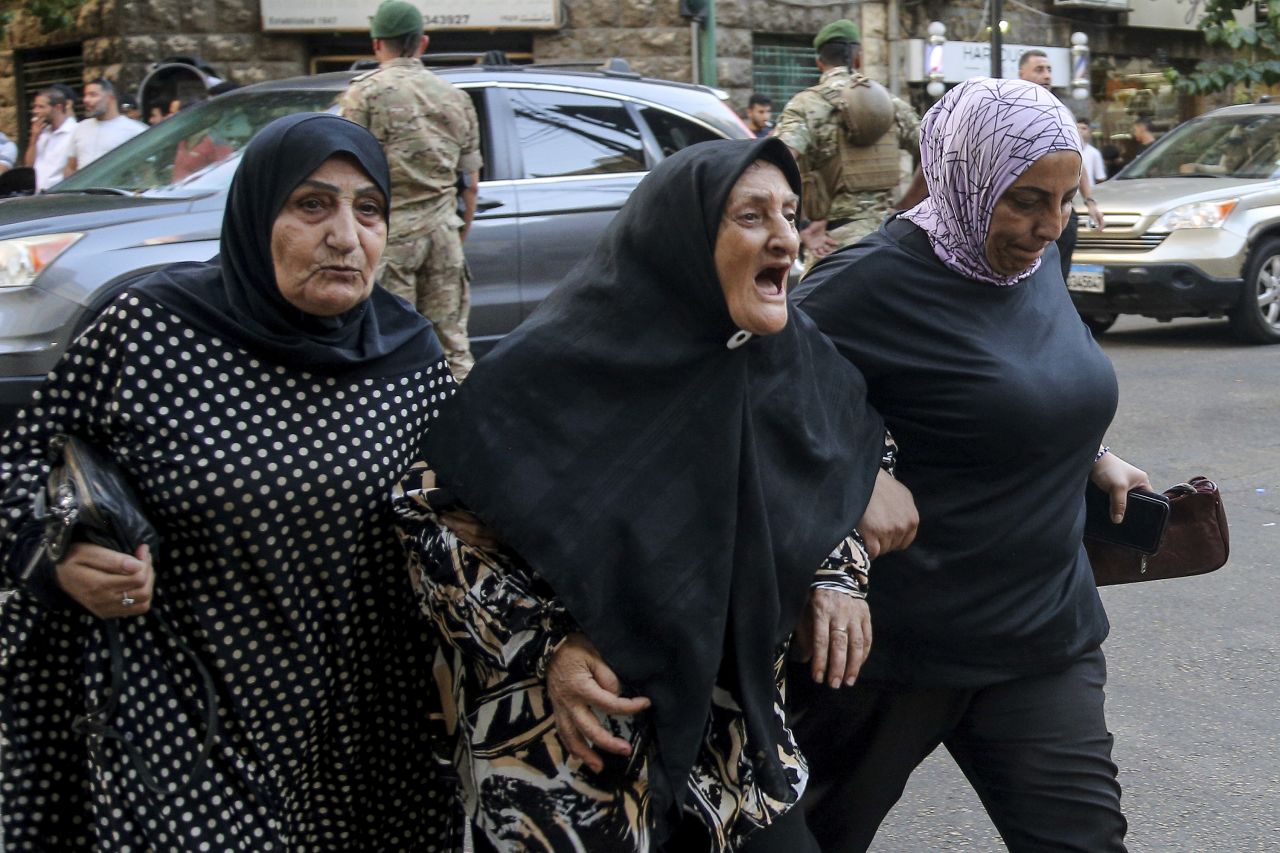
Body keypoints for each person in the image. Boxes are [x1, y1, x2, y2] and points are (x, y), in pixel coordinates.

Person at [395, 136, 912, 852]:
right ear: (683, 236)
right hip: (583, 758)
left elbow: (847, 453)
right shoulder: (553, 369)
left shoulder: (780, 354)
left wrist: (836, 571)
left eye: (791, 214)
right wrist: (548, 647)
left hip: (734, 748)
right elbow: (435, 529)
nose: (786, 238)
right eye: (753, 216)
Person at [0, 113, 458, 849]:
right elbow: (21, 461)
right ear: (255, 215)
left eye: (367, 209)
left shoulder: (408, 359)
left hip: (360, 739)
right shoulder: (152, 331)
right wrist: (57, 555)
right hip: (187, 714)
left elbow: (470, 523)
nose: (346, 235)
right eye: (312, 205)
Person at [789, 77, 1148, 853]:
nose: (1048, 226)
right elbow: (751, 408)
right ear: (963, 176)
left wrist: (1094, 453)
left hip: (1042, 637)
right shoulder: (862, 286)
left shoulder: (1038, 257)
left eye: (1064, 200)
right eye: (1023, 199)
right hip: (892, 656)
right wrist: (857, 475)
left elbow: (1037, 379)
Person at [340, 0, 482, 381]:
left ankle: (394, 435)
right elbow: (469, 184)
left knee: (388, 344)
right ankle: (463, 431)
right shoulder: (456, 97)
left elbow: (346, 174)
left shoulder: (363, 95)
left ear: (376, 45)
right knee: (452, 345)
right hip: (443, 235)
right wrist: (457, 232)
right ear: (423, 43)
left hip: (389, 238)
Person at [773, 19, 921, 270]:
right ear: (858, 59)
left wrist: (802, 225)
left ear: (819, 62)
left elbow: (774, 161)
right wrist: (906, 207)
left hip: (833, 245)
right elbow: (940, 154)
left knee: (809, 308)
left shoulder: (805, 105)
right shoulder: (891, 103)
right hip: (889, 241)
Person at [1018, 51, 1104, 278]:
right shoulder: (1012, 111)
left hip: (1062, 213)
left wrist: (1090, 201)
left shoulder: (1061, 112)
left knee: (1056, 279)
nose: (1046, 75)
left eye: (1049, 70)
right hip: (1029, 210)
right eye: (1039, 70)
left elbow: (1076, 162)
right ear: (1021, 74)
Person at [65, 77, 147, 176]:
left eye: (93, 95)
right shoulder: (80, 128)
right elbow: (70, 167)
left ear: (110, 97)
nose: (86, 100)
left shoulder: (136, 130)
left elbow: (146, 171)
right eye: (85, 95)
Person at [23, 86, 77, 190]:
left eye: (41, 107)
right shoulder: (42, 132)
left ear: (58, 108)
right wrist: (34, 139)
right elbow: (29, 165)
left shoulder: (75, 131)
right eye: (35, 106)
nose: (35, 111)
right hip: (38, 195)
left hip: (60, 195)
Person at [1077, 117, 1107, 185]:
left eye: (1084, 128)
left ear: (1089, 132)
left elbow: (1100, 178)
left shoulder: (1094, 153)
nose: (1079, 131)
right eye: (1077, 128)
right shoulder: (1066, 151)